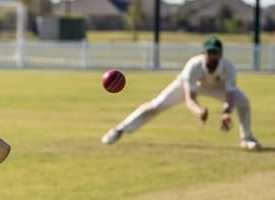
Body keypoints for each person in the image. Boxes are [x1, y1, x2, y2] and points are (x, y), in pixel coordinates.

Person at [101, 36, 260, 150]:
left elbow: (230, 93)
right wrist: (199, 111)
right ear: (204, 53)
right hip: (187, 85)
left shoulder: (228, 67)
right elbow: (189, 98)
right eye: (209, 52)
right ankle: (118, 131)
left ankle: (247, 138)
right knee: (155, 105)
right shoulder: (194, 65)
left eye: (215, 53)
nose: (212, 56)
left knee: (243, 102)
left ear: (220, 54)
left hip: (216, 86)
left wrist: (226, 112)